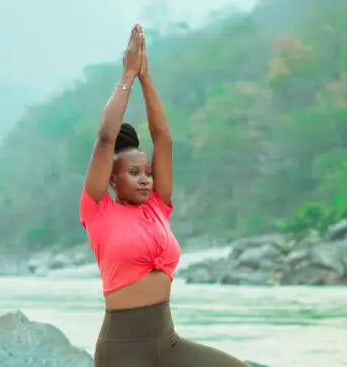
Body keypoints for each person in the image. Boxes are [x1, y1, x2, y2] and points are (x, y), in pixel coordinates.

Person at [79, 24, 250, 367]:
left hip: (168, 344)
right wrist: (127, 73)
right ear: (112, 180)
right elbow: (104, 138)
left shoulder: (158, 206)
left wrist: (146, 77)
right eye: (133, 173)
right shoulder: (98, 210)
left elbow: (163, 139)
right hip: (122, 349)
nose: (145, 180)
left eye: (148, 173)